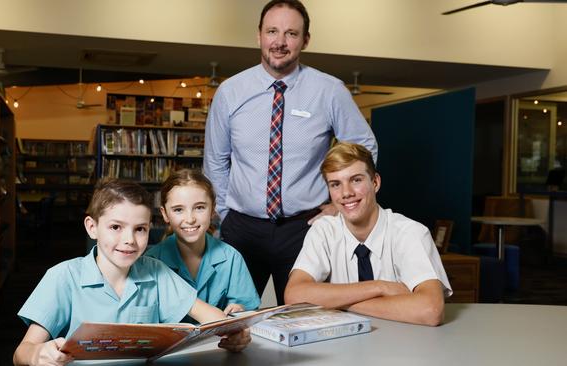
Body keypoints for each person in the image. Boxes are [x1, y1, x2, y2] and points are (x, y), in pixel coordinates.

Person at [204, 0, 377, 305]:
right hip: (242, 228)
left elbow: (364, 148)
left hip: (305, 228)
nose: (280, 42)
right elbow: (215, 160)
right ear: (259, 35)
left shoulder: (330, 90)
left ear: (305, 40)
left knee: (305, 318)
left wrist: (339, 205)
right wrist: (227, 215)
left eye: (291, 33)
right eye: (272, 31)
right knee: (229, 320)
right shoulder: (230, 92)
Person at [13, 178, 250, 366]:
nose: (129, 240)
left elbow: (208, 316)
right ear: (92, 227)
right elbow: (21, 352)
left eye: (140, 229)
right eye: (116, 227)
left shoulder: (156, 271)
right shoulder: (63, 276)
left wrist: (235, 331)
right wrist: (37, 355)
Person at [283, 142, 452, 326]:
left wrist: (337, 302)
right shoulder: (323, 230)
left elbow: (430, 311)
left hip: (403, 347)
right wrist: (380, 287)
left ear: (375, 182)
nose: (346, 193)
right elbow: (294, 295)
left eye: (356, 180)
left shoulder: (410, 232)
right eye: (335, 184)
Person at [146, 169, 260, 316]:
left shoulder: (232, 258)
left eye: (199, 208)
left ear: (213, 209)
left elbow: (248, 310)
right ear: (165, 214)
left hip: (217, 338)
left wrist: (240, 311)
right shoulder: (151, 261)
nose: (190, 219)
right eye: (178, 210)